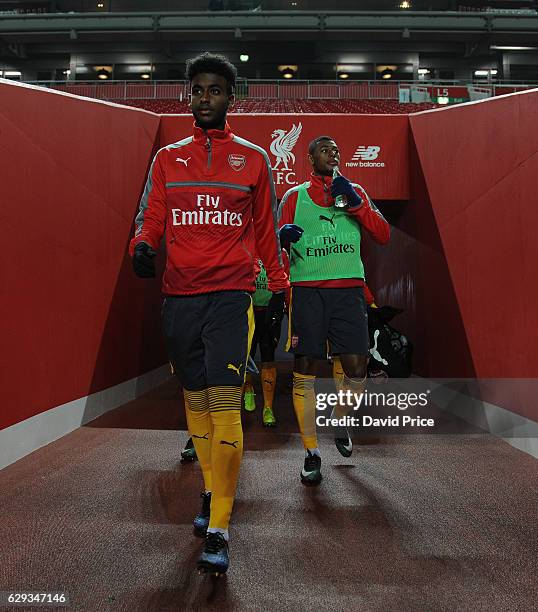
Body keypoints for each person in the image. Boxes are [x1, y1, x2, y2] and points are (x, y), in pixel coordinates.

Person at [130, 52, 288, 574]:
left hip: (230, 295)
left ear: (230, 98)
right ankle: (211, 487)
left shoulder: (254, 159)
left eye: (215, 90)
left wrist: (281, 282)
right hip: (179, 296)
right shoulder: (167, 160)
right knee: (194, 398)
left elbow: (265, 229)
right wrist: (142, 244)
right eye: (198, 90)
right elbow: (152, 214)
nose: (205, 98)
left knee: (223, 398)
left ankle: (219, 524)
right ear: (188, 96)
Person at [278, 135, 390, 486]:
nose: (334, 153)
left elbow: (383, 234)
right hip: (308, 290)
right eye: (325, 149)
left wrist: (355, 204)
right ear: (310, 157)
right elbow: (273, 246)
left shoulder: (354, 190)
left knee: (357, 369)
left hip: (348, 291)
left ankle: (341, 418)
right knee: (306, 368)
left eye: (337, 150)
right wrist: (280, 236)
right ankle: (311, 452)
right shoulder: (293, 197)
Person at [243, 252, 289, 426]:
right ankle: (248, 389)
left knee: (268, 357)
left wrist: (284, 309)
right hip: (249, 309)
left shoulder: (279, 252)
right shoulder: (246, 245)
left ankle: (268, 408)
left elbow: (286, 281)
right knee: (246, 355)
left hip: (270, 311)